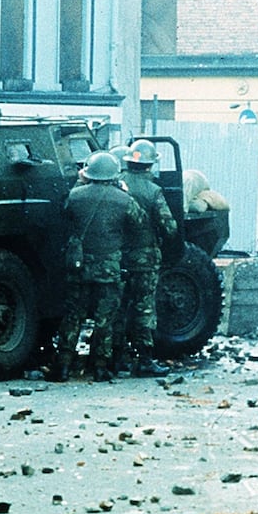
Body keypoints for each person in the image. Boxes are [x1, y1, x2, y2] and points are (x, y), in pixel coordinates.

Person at [51, 151, 146, 383]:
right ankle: (100, 367)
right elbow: (140, 222)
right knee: (105, 319)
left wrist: (79, 183)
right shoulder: (123, 200)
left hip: (79, 267)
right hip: (108, 269)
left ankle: (63, 366)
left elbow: (63, 212)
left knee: (73, 316)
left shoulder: (75, 195)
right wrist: (125, 193)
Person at [112, 140, 178, 378]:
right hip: (145, 259)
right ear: (150, 165)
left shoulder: (116, 184)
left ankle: (115, 359)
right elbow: (169, 226)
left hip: (117, 257)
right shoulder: (153, 191)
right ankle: (145, 360)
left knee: (118, 308)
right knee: (144, 308)